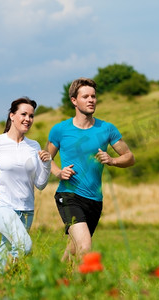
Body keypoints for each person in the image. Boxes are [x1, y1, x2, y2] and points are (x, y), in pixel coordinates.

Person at [46, 77, 135, 262]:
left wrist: (112, 160)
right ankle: (81, 290)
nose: (91, 100)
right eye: (85, 96)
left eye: (93, 96)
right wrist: (58, 172)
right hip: (68, 195)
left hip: (94, 199)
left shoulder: (107, 128)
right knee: (85, 247)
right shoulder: (60, 130)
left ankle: (55, 281)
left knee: (73, 249)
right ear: (74, 101)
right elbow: (45, 158)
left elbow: (129, 157)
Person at [0, 97, 51, 274]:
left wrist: (47, 164)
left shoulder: (33, 146)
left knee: (7, 249)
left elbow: (40, 184)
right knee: (25, 245)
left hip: (27, 210)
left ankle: (0, 288)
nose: (28, 119)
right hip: (1, 205)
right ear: (12, 116)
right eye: (23, 114)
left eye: (31, 116)